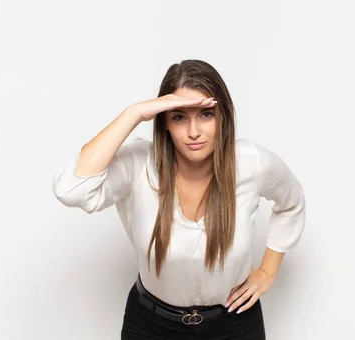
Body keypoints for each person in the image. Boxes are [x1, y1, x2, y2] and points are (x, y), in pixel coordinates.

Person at [52, 59, 306, 340]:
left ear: (223, 117)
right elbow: (72, 189)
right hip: (151, 326)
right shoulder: (138, 164)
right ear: (164, 123)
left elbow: (291, 203)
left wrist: (267, 272)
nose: (194, 131)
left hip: (234, 324)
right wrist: (134, 113)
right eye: (179, 117)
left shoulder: (251, 163)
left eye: (206, 115)